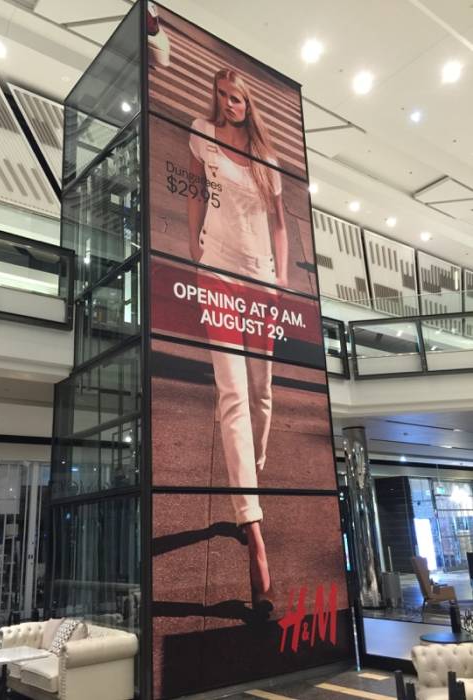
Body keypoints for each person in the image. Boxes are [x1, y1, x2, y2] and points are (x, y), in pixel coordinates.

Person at [187, 67, 289, 615]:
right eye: (224, 96)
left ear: (249, 104)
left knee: (260, 392)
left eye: (238, 99)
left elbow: (280, 223)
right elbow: (195, 193)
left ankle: (253, 464)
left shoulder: (266, 157)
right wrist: (194, 251)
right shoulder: (201, 133)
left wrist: (281, 281)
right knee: (231, 395)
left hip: (260, 281)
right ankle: (254, 528)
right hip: (218, 273)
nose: (230, 105)